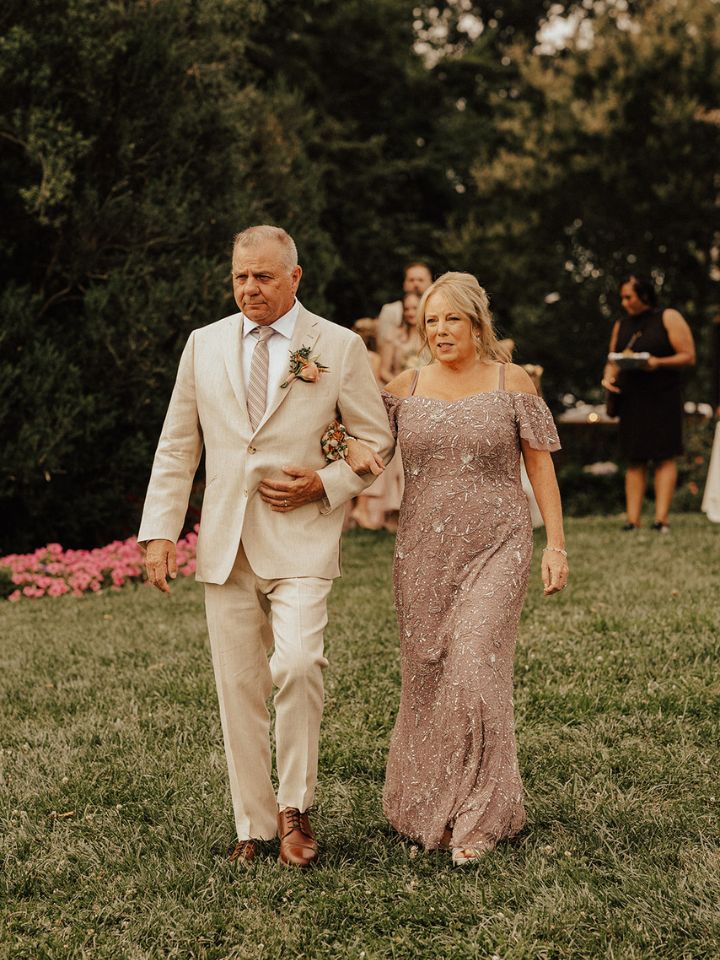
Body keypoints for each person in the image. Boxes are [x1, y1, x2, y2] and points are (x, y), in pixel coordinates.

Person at [139, 225, 392, 868]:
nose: (249, 288)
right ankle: (252, 827)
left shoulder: (336, 345)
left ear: (294, 278)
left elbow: (376, 439)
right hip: (226, 542)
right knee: (239, 687)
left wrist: (326, 483)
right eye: (239, 277)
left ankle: (295, 809)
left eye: (263, 277)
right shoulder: (203, 345)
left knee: (300, 663)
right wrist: (161, 532)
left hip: (302, 538)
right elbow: (178, 445)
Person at [347, 271, 568, 865]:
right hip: (422, 554)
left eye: (453, 320)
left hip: (499, 545)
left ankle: (481, 817)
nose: (441, 331)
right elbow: (370, 458)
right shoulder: (404, 386)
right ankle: (424, 806)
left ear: (477, 324)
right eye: (432, 321)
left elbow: (541, 467)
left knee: (474, 668)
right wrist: (344, 444)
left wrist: (556, 545)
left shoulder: (511, 381)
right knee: (427, 678)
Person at [602, 275, 696, 532]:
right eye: (622, 297)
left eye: (629, 297)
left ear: (644, 295)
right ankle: (632, 520)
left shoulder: (668, 317)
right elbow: (612, 359)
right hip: (632, 398)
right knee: (635, 458)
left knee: (664, 456)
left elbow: (688, 356)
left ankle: (660, 519)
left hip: (663, 396)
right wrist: (608, 378)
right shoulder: (621, 324)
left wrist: (657, 363)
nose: (624, 302)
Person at [377, 261, 432, 346]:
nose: (416, 284)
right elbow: (382, 344)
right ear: (404, 284)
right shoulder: (389, 311)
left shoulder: (438, 309)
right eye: (411, 280)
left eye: (420, 280)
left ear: (430, 283)